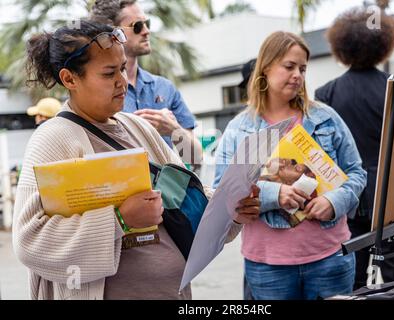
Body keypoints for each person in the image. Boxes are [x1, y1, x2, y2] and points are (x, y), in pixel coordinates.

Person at [13, 20, 260, 300]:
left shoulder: (137, 127)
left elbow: (183, 196)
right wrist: (120, 218)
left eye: (121, 68)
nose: (122, 81)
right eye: (108, 74)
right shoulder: (53, 139)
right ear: (70, 79)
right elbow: (30, 241)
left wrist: (229, 209)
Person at [214, 31, 367, 300]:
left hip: (330, 257)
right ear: (265, 67)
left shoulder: (325, 118)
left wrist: (334, 201)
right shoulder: (239, 129)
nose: (297, 74)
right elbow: (222, 191)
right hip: (268, 265)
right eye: (289, 66)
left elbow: (356, 172)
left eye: (303, 68)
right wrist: (274, 194)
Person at [314, 7, 394, 289]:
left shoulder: (326, 94)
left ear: (341, 46)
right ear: (384, 44)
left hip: (349, 198)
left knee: (354, 279)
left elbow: (323, 153)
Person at [89, 0, 203, 165]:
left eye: (146, 23)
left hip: (169, 189)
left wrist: (173, 130)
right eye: (137, 26)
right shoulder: (94, 95)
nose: (146, 31)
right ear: (112, 32)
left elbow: (195, 158)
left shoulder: (164, 87)